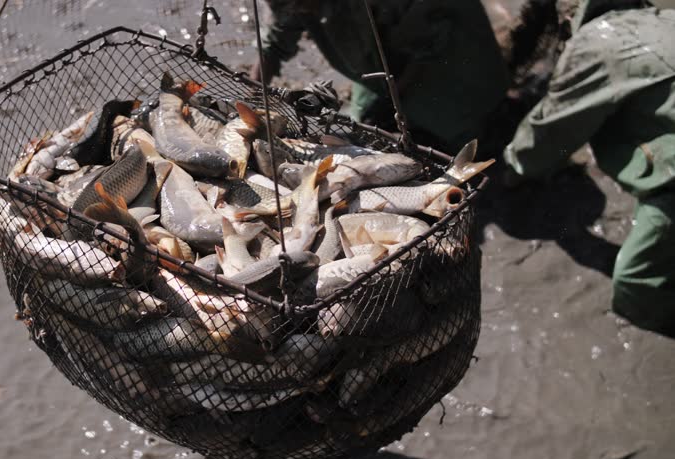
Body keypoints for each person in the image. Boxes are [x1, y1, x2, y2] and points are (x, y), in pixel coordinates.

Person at [503, 0, 675, 334]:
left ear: (569, 18)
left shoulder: (595, 43)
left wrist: (514, 169)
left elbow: (552, 131)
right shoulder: (666, 18)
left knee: (636, 285)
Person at [252, 0, 510, 154]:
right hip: (380, 55)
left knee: (456, 131)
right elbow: (275, 42)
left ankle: (489, 129)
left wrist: (394, 97)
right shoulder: (295, 6)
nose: (298, 10)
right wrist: (252, 93)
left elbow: (430, 43)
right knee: (363, 124)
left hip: (446, 52)